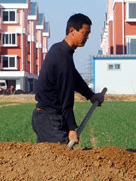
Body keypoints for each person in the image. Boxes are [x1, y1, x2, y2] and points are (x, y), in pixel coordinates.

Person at [32, 13, 105, 144]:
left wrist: (91, 96)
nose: (87, 37)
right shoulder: (61, 57)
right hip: (49, 118)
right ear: (72, 31)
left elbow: (75, 78)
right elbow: (65, 97)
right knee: (59, 158)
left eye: (88, 34)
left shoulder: (62, 51)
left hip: (48, 117)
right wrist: (72, 128)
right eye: (84, 33)